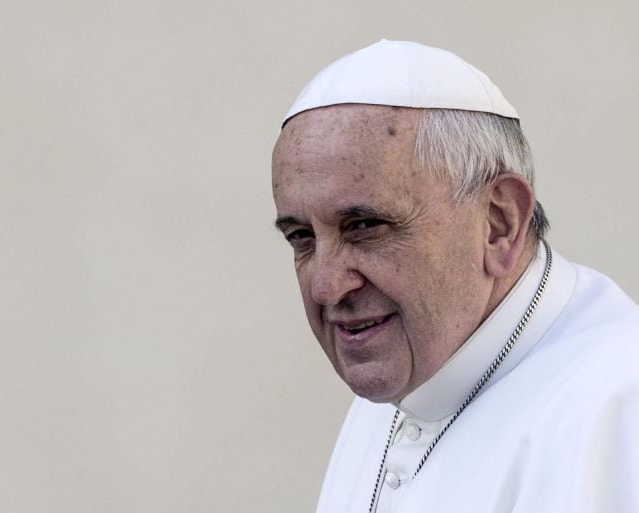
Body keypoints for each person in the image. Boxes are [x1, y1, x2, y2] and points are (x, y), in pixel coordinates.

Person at [271, 39, 639, 513]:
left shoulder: (618, 411)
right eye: (301, 237)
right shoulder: (411, 366)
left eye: (365, 227)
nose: (326, 286)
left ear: (498, 224)